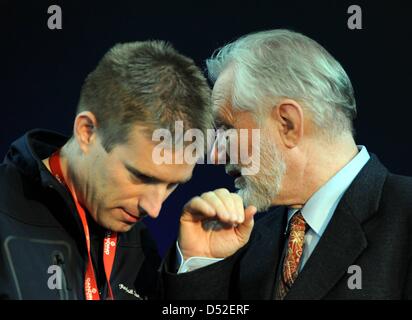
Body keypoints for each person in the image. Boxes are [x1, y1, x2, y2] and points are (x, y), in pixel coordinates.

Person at [163, 29, 412, 299]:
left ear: (288, 124)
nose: (215, 155)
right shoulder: (247, 240)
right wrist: (201, 264)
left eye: (227, 128)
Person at [0, 40, 220, 300]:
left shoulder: (141, 249)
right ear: (87, 132)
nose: (154, 209)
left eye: (172, 185)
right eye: (140, 176)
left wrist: (192, 270)